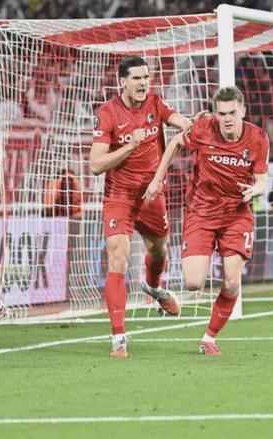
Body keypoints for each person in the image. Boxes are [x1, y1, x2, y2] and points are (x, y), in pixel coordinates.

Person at [144, 86, 269, 356]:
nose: (227, 119)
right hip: (201, 212)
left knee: (232, 282)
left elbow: (261, 180)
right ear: (215, 114)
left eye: (232, 113)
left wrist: (256, 190)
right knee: (193, 283)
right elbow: (176, 143)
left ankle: (209, 338)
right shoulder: (203, 129)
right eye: (222, 114)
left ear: (242, 111)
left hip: (236, 215)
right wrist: (157, 179)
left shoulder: (258, 138)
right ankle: (161, 289)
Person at [89, 56, 194, 358]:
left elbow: (180, 122)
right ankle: (118, 338)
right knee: (118, 255)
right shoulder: (107, 113)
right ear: (122, 81)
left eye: (146, 77)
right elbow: (96, 165)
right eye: (136, 78)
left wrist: (193, 124)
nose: (143, 83)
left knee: (160, 251)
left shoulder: (155, 103)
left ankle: (153, 287)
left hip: (151, 193)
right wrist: (130, 146)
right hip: (119, 196)